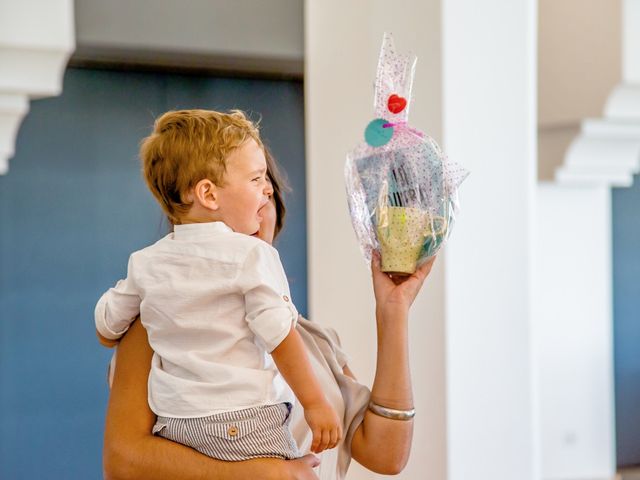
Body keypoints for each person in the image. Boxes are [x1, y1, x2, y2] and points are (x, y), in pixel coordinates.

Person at [102, 145, 436, 479]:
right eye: (249, 186)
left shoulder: (315, 341)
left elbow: (385, 455)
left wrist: (393, 311)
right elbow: (123, 460)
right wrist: (267, 473)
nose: (258, 207)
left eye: (265, 192)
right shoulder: (163, 319)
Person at [95, 109, 341, 462]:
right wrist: (315, 403)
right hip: (246, 420)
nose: (266, 189)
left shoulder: (145, 262)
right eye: (257, 180)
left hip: (178, 426)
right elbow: (278, 333)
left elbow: (106, 326)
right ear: (208, 194)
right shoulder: (252, 254)